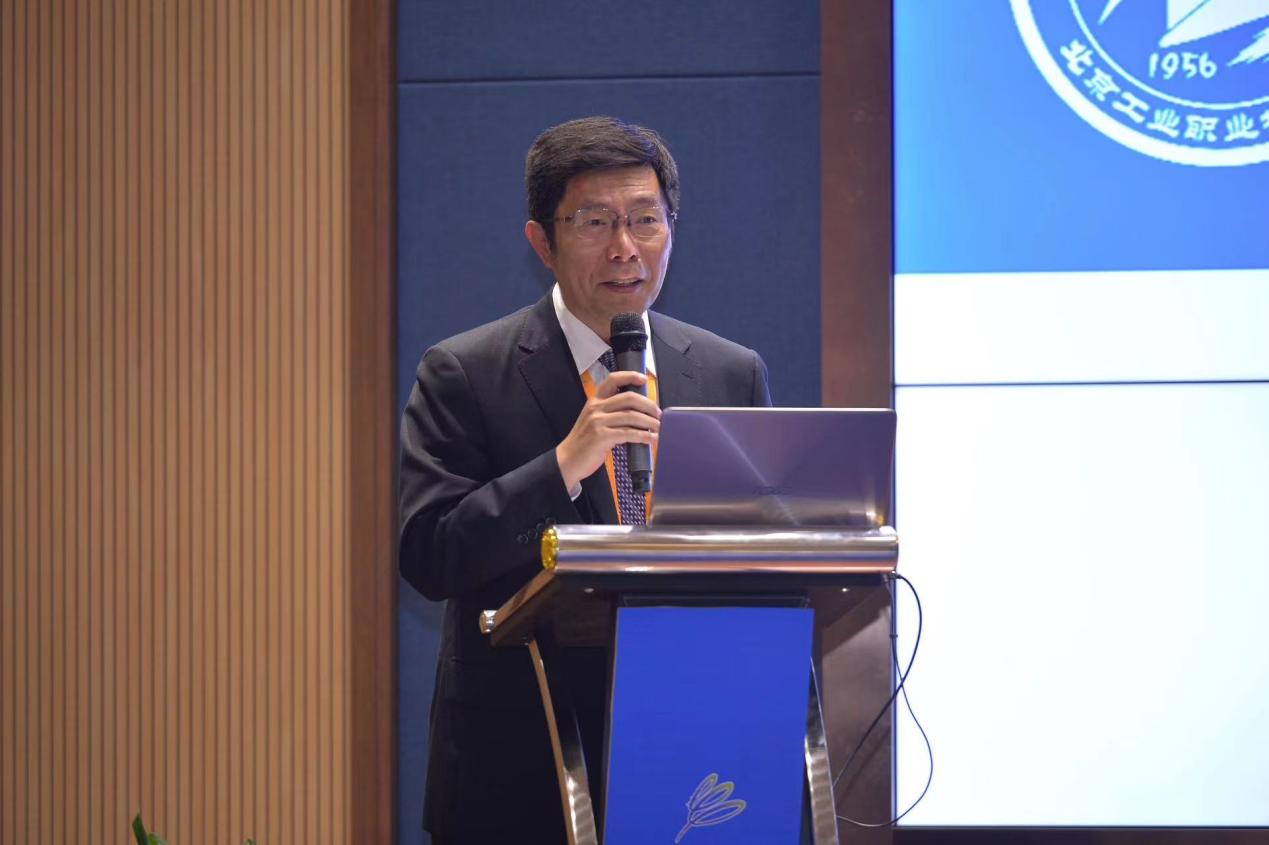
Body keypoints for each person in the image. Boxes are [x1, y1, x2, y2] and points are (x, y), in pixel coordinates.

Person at [398, 116, 772, 844]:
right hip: (521, 764)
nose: (624, 247)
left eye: (645, 219)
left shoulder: (730, 373)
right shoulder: (465, 372)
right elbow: (429, 553)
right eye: (595, 222)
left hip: (694, 752)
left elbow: (757, 548)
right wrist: (563, 464)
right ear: (542, 241)